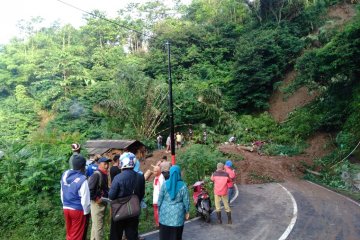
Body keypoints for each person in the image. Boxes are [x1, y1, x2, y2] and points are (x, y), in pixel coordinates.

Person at [109, 152, 145, 240]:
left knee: (115, 235)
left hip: (119, 211)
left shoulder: (118, 177)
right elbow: (141, 194)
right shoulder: (140, 177)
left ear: (122, 163)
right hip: (134, 211)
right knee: (132, 235)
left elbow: (111, 196)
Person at [60, 154, 90, 240]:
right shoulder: (82, 179)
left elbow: (62, 193)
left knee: (70, 233)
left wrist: (65, 204)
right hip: (77, 210)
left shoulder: (65, 175)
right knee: (77, 236)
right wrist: (86, 213)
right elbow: (85, 200)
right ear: (83, 167)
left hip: (66, 208)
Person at [158, 165, 190, 240]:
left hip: (164, 215)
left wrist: (159, 209)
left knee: (164, 235)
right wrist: (187, 211)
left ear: (170, 173)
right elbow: (186, 200)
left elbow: (160, 199)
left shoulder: (165, 184)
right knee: (176, 236)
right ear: (179, 173)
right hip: (177, 217)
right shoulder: (183, 186)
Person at [88, 157, 112, 240]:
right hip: (96, 204)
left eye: (107, 164)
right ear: (99, 164)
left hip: (103, 202)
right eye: (104, 164)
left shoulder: (104, 174)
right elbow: (90, 190)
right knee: (99, 227)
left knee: (96, 226)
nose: (107, 166)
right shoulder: (96, 175)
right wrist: (96, 198)